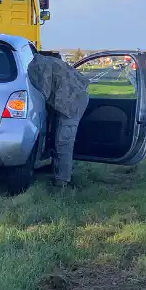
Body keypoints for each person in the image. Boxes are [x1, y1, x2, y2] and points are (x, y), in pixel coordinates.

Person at [27, 51, 90, 188]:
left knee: (63, 142)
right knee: (60, 139)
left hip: (71, 102)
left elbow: (44, 91)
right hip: (73, 98)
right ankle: (57, 171)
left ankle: (62, 181)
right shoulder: (49, 62)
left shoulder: (39, 65)